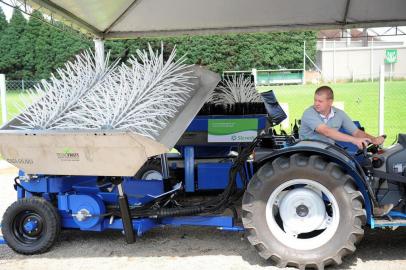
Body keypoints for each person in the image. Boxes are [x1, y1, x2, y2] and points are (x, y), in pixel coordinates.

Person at [299, 85, 385, 149]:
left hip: (327, 151)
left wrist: (373, 139)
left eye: (320, 101)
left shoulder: (339, 114)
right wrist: (354, 140)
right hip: (308, 152)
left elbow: (356, 132)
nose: (316, 103)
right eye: (315, 100)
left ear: (330, 102)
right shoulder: (309, 113)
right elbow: (326, 131)